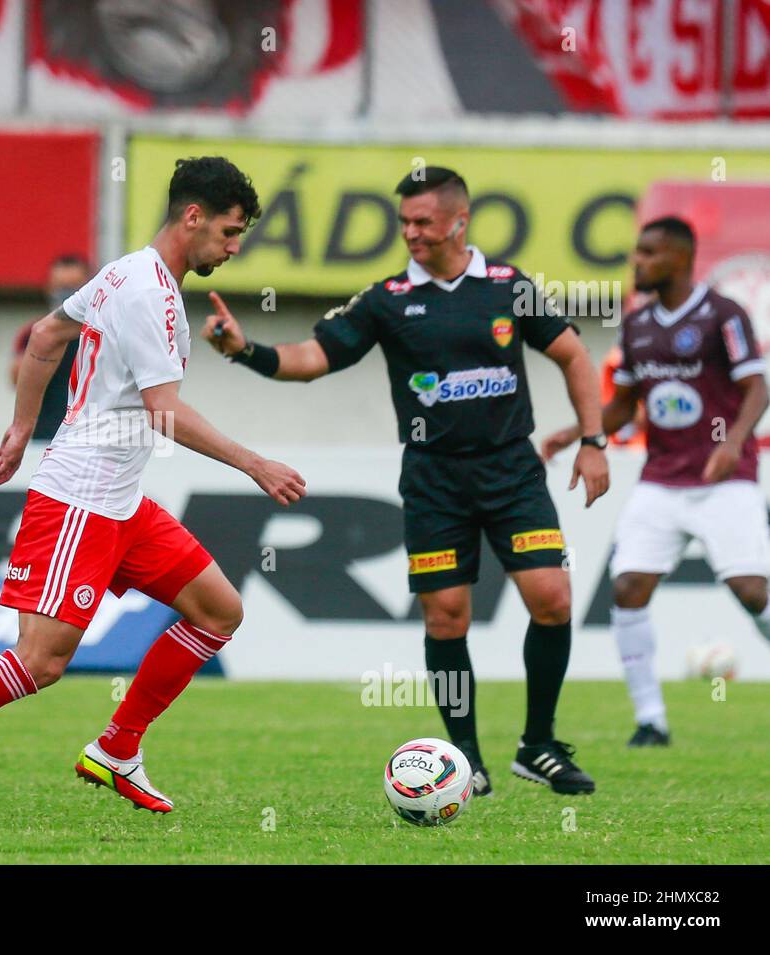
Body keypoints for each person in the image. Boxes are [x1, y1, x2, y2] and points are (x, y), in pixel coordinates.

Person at [0, 157, 306, 824]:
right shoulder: (146, 292)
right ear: (193, 217)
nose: (235, 248)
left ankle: (118, 748)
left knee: (217, 611)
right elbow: (163, 410)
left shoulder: (127, 271)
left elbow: (46, 334)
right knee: (41, 661)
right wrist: (255, 463)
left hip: (121, 502)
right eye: (231, 233)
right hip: (80, 501)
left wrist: (22, 428)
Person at [206, 166, 608, 796]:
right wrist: (244, 350)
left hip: (511, 472)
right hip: (434, 480)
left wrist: (593, 440)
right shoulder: (386, 299)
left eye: (422, 222)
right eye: (404, 223)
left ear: (459, 221)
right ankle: (466, 757)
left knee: (552, 597)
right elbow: (314, 359)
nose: (412, 233)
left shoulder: (509, 287)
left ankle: (539, 745)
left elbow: (573, 356)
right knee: (447, 617)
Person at [542, 217, 770, 747]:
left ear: (680, 258)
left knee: (751, 590)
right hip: (662, 479)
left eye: (648, 253)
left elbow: (757, 388)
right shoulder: (638, 325)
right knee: (627, 588)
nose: (637, 262)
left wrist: (733, 441)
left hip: (724, 478)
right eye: (637, 252)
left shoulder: (722, 314)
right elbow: (624, 405)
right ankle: (651, 721)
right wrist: (576, 434)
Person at [10, 255, 91, 440]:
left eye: (73, 288)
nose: (66, 294)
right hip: (45, 435)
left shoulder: (99, 332)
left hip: (88, 436)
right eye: (61, 288)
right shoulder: (35, 332)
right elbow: (16, 380)